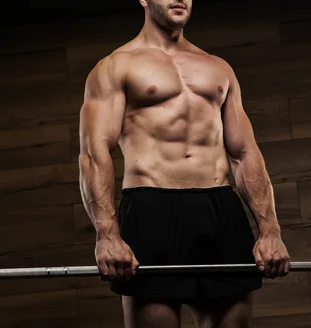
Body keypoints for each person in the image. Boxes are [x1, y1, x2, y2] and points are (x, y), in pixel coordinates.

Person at [78, 0, 290, 327]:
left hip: (219, 207)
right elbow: (94, 153)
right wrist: (107, 234)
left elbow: (245, 153)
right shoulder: (115, 66)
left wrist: (270, 229)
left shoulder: (218, 68)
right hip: (152, 209)